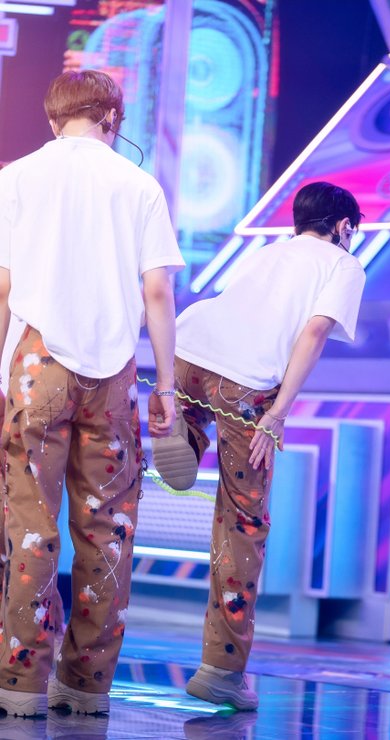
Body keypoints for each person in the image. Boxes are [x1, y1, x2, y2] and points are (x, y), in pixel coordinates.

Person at [0, 69, 185, 717]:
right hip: (113, 374)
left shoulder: (17, 177)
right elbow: (158, 291)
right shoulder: (139, 185)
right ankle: (87, 685)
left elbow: (4, 287)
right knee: (108, 529)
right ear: (113, 117)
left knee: (29, 522)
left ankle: (20, 684)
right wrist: (166, 385)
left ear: (54, 119)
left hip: (37, 364)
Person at [152, 181, 366, 711]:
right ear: (343, 226)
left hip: (190, 350)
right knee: (242, 522)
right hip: (245, 385)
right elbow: (313, 334)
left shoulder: (270, 251)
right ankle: (221, 670)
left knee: (199, 410)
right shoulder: (343, 265)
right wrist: (277, 414)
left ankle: (188, 433)